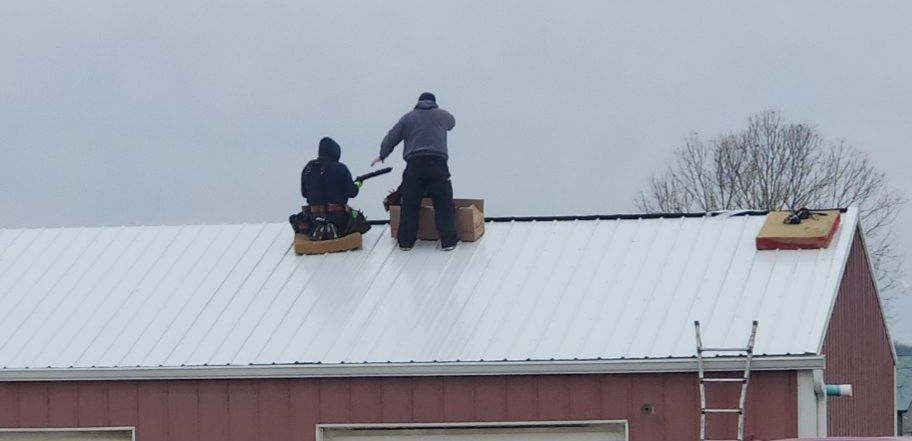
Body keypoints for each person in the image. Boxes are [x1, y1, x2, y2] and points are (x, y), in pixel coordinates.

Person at [372, 92, 458, 251]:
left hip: (414, 164)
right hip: (437, 163)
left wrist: (383, 155)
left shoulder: (408, 118)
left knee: (410, 203)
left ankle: (405, 242)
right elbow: (452, 123)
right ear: (434, 103)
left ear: (418, 102)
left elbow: (392, 136)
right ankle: (448, 242)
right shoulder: (442, 115)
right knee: (443, 202)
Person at [292, 137, 369, 239]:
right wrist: (358, 183)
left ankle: (318, 229)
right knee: (357, 217)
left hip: (313, 217)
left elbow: (304, 193)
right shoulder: (340, 168)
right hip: (338, 217)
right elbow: (352, 192)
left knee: (300, 218)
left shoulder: (308, 168)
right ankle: (334, 229)